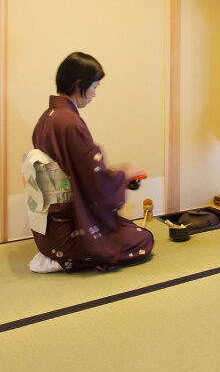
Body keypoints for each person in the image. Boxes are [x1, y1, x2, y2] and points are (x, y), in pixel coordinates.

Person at [26, 52, 154, 272]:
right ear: (79, 86)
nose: (94, 93)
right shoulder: (70, 123)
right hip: (67, 233)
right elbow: (95, 180)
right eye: (94, 86)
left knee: (125, 227)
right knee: (143, 239)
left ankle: (56, 253)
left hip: (47, 230)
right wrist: (123, 176)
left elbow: (84, 172)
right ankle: (64, 259)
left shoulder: (48, 117)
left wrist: (116, 176)